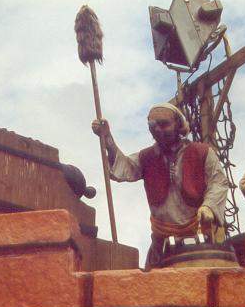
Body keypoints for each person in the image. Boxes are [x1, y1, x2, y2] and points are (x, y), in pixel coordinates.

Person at [92, 103, 228, 267]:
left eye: (164, 124)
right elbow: (123, 168)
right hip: (162, 244)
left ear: (178, 124)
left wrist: (209, 206)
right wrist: (107, 139)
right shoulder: (146, 157)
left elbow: (218, 182)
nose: (158, 129)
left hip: (201, 242)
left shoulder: (202, 152)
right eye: (152, 125)